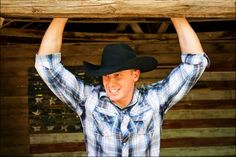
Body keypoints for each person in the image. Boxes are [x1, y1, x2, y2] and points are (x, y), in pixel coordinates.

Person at [35, 18, 209, 156]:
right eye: (106, 76)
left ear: (135, 75)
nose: (110, 83)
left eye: (118, 75)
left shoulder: (154, 99)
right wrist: (62, 14)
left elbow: (194, 64)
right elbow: (47, 66)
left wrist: (176, 14)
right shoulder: (89, 100)